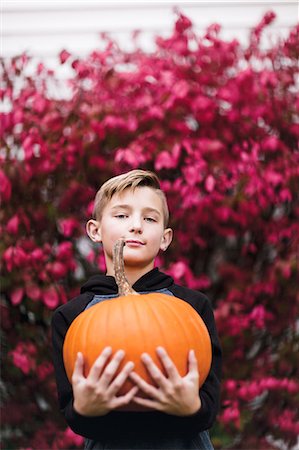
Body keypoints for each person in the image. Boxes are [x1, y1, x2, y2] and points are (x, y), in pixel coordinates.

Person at [51, 169, 222, 450]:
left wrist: (191, 405)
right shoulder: (71, 317)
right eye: (121, 215)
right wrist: (85, 407)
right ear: (95, 230)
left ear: (165, 238)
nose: (136, 226)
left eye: (149, 218)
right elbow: (74, 415)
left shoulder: (192, 307)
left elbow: (209, 408)